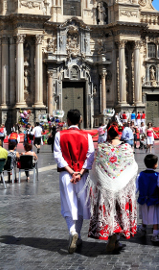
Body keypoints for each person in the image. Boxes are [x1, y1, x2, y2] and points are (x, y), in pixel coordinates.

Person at [88, 124, 138, 253]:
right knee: (119, 212)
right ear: (119, 134)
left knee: (109, 212)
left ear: (108, 134)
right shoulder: (127, 148)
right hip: (122, 187)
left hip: (106, 187)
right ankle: (116, 238)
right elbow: (132, 167)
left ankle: (112, 237)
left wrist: (104, 181)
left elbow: (96, 166)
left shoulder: (102, 148)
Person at [54, 109, 95, 254]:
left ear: (68, 121)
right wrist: (80, 172)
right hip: (82, 176)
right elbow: (90, 156)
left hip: (66, 175)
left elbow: (58, 157)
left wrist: (71, 171)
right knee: (81, 205)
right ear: (80, 120)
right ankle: (77, 235)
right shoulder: (87, 135)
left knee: (68, 203)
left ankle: (72, 232)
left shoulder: (59, 134)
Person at [137, 154, 159, 242]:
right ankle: (155, 235)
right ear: (155, 164)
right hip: (154, 199)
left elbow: (136, 187)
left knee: (144, 214)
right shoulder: (157, 175)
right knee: (155, 218)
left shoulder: (140, 175)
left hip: (143, 199)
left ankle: (143, 228)